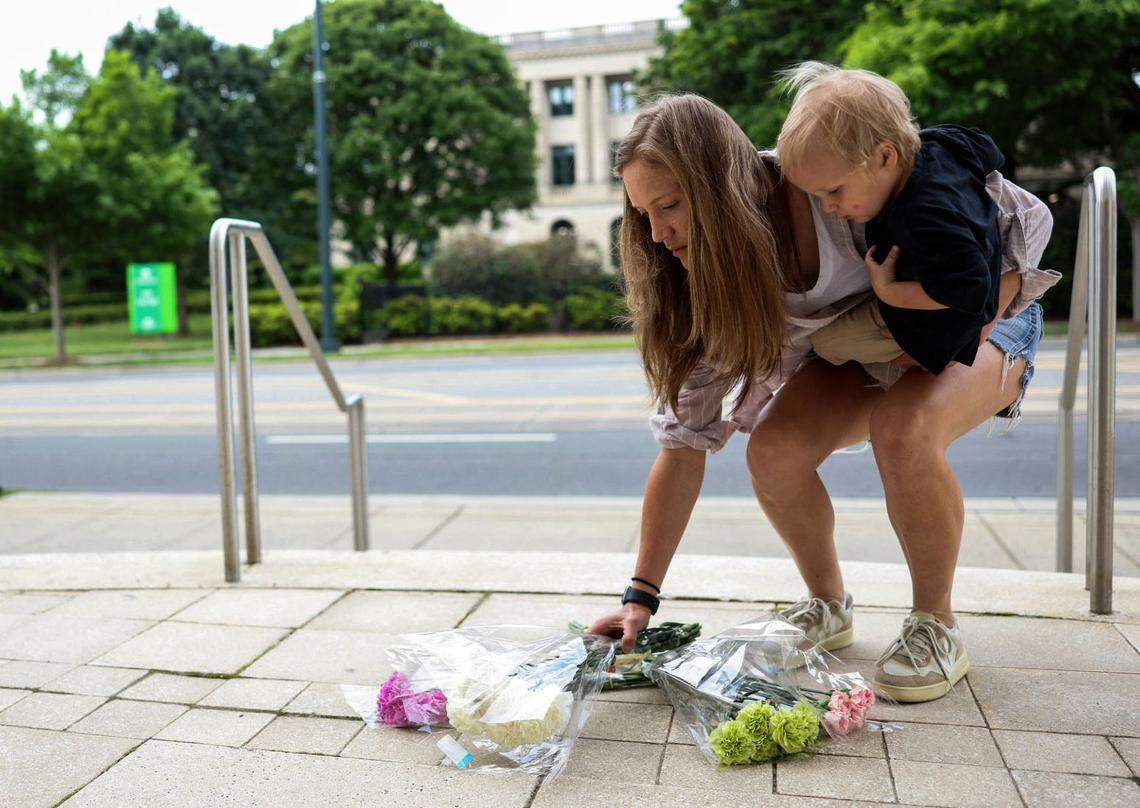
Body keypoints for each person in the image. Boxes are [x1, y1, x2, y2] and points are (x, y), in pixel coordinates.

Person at [587, 91, 1058, 703]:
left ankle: (934, 626)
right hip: (866, 343)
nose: (656, 232)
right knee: (774, 452)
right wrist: (640, 597)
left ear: (721, 185)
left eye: (670, 205)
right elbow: (682, 447)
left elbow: (1023, 222)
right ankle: (828, 606)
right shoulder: (703, 279)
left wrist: (968, 325)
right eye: (642, 212)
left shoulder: (828, 180)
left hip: (990, 314)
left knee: (903, 428)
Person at [778, 63, 1012, 376]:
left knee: (827, 344)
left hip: (948, 324)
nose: (829, 207)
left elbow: (970, 290)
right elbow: (989, 150)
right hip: (957, 291)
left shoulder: (923, 215)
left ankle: (919, 359)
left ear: (886, 157)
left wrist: (890, 292)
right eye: (818, 197)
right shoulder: (942, 143)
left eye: (833, 191)